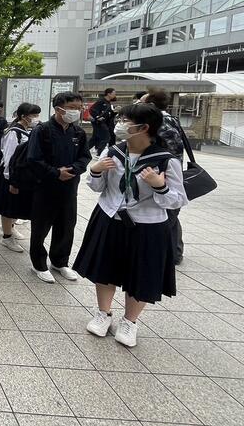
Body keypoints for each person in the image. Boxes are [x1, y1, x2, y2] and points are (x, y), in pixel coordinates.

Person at [74, 103, 188, 347]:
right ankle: (103, 313)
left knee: (141, 273)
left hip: (147, 225)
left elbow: (178, 200)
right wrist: (95, 171)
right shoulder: (113, 151)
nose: (119, 125)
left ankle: (130, 321)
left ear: (144, 127)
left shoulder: (165, 161)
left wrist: (159, 185)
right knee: (105, 268)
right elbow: (97, 187)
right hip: (109, 216)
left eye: (125, 121)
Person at [26, 92, 91, 283]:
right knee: (40, 228)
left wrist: (74, 169)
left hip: (69, 187)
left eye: (78, 108)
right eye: (71, 108)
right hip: (45, 188)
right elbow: (33, 159)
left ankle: (60, 261)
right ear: (58, 109)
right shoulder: (42, 130)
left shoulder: (78, 133)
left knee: (66, 226)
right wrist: (55, 172)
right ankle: (38, 264)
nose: (76, 111)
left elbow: (85, 157)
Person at [0, 103, 40, 253]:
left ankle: (10, 228)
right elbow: (9, 157)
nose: (36, 118)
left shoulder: (27, 130)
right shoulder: (13, 132)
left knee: (16, 205)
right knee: (8, 206)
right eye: (34, 115)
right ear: (23, 116)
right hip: (10, 175)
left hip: (21, 175)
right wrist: (11, 179)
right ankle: (7, 237)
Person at [143, 88, 186, 264]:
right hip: (166, 173)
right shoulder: (170, 119)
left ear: (151, 105)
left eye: (143, 103)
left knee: (167, 215)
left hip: (163, 175)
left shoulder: (161, 123)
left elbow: (170, 151)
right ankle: (175, 252)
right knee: (171, 216)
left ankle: (170, 254)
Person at [89, 88, 117, 156]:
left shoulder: (108, 103)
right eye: (114, 93)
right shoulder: (101, 101)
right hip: (99, 123)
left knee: (95, 138)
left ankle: (82, 150)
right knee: (106, 137)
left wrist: (115, 112)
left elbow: (109, 114)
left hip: (106, 123)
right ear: (109, 94)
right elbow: (92, 110)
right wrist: (97, 117)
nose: (115, 95)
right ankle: (100, 153)